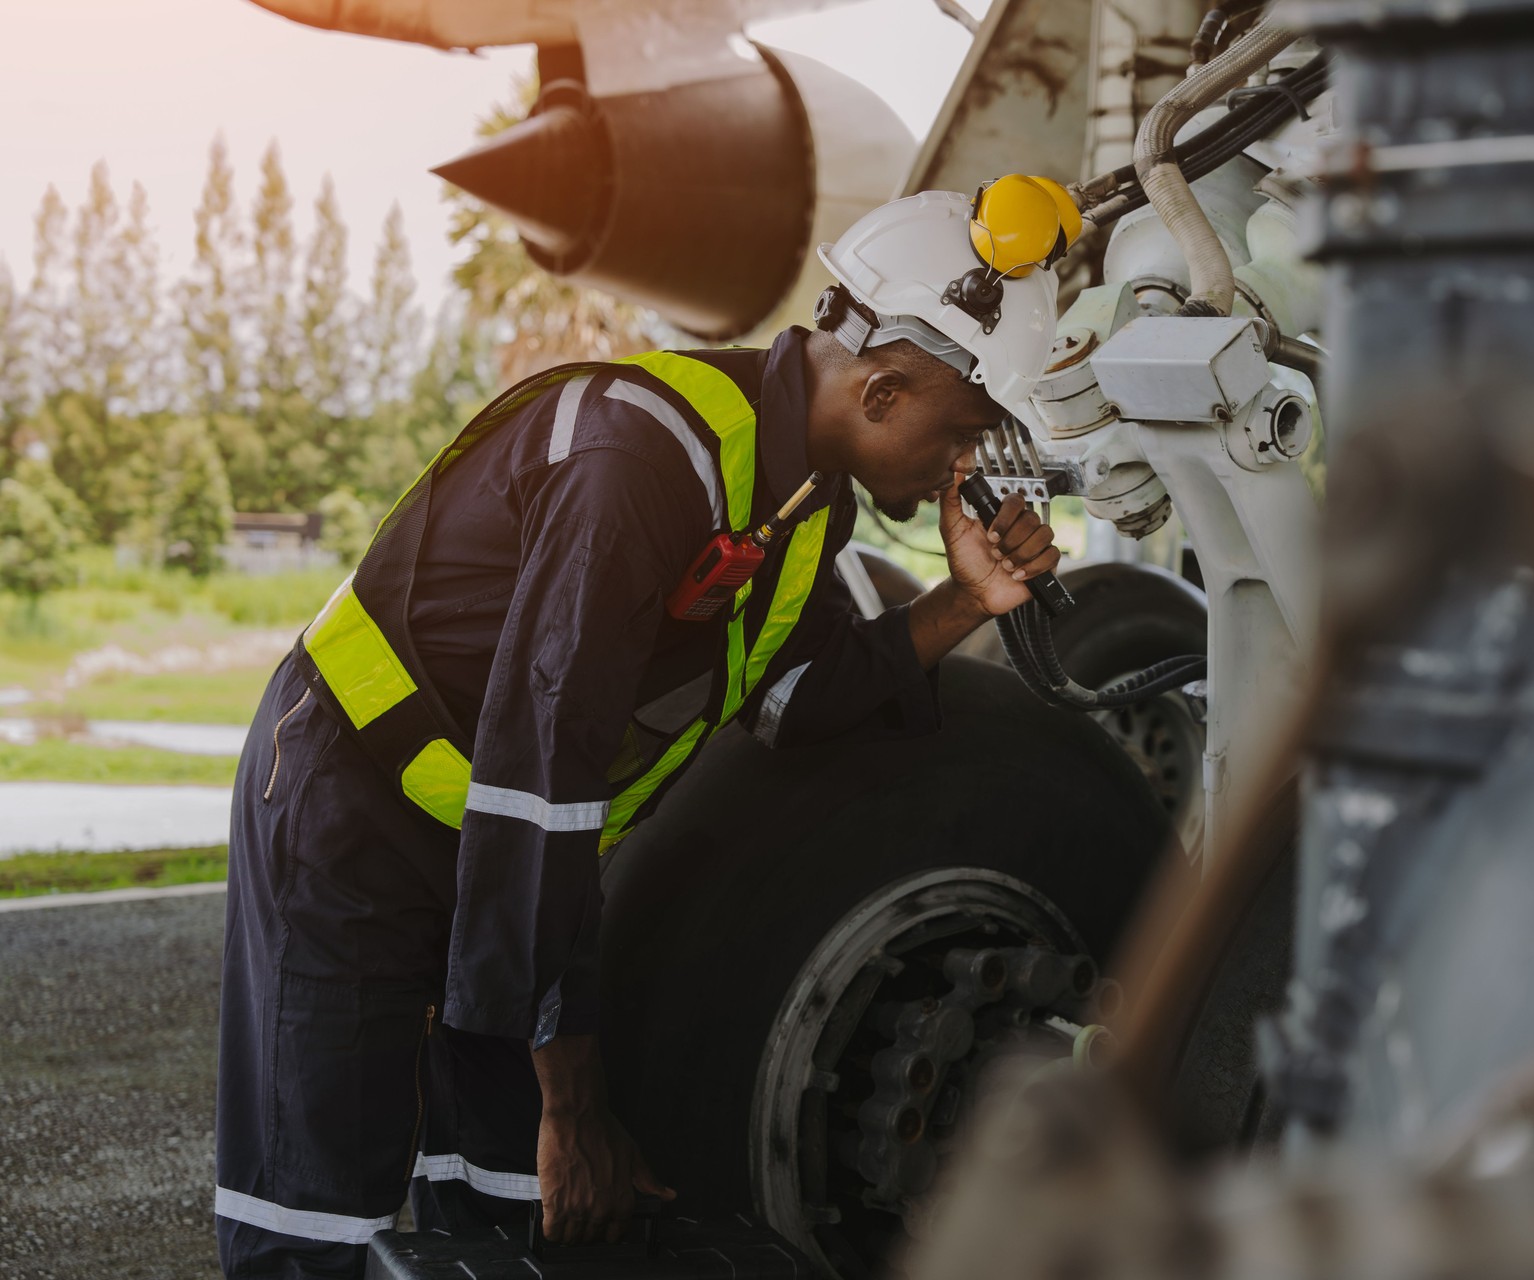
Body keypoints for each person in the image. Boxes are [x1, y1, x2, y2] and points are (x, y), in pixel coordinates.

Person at [213, 182, 1081, 1277]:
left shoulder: (809, 499)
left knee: (510, 1202)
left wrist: (964, 604)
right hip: (351, 809)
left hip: (501, 861)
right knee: (320, 1220)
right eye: (961, 432)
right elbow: (544, 778)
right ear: (883, 388)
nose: (962, 468)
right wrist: (574, 1099)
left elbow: (787, 699)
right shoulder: (636, 462)